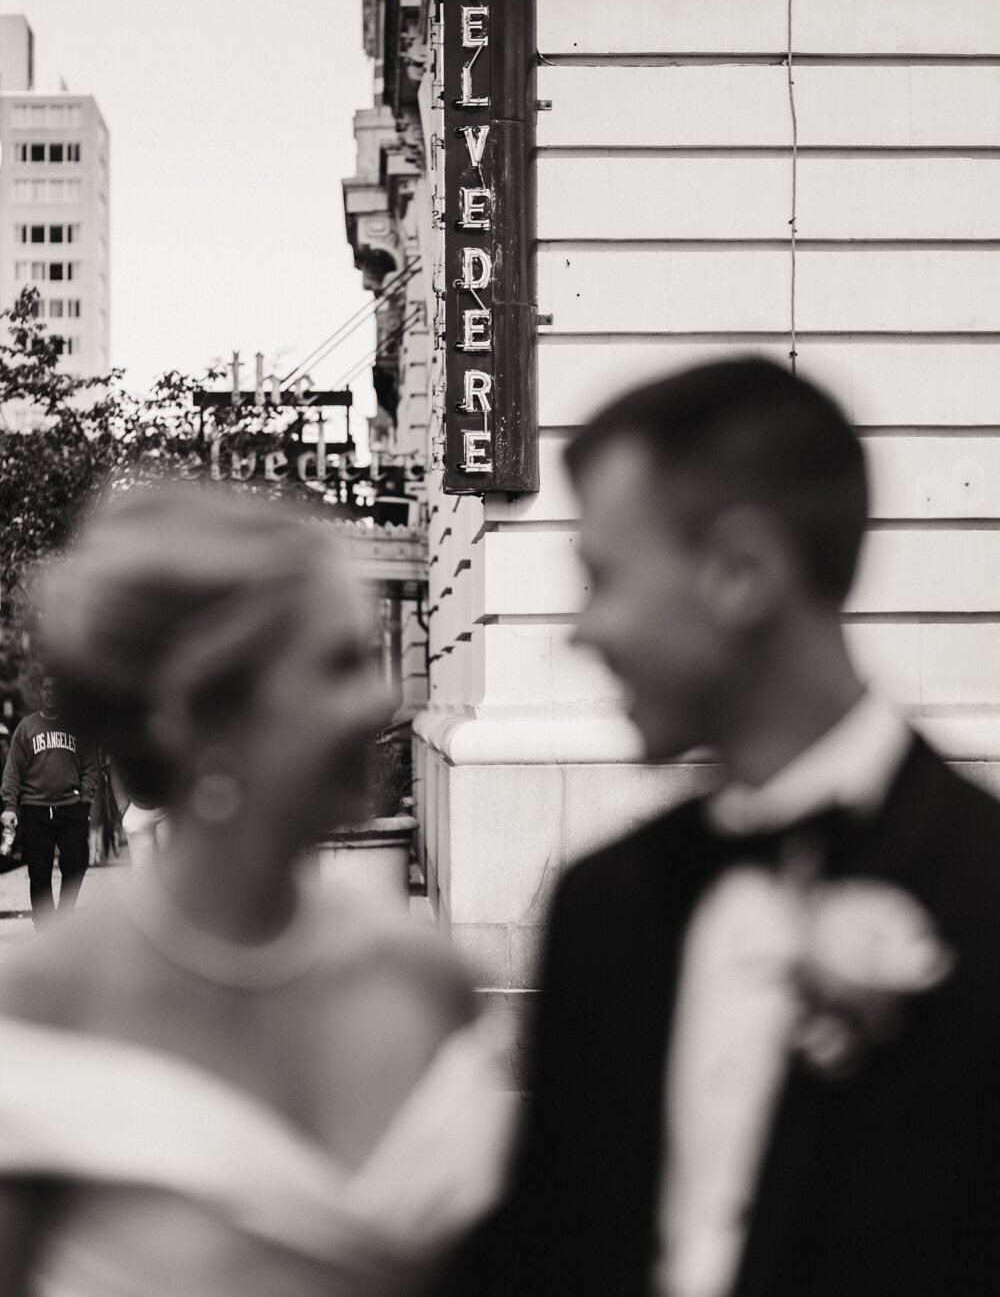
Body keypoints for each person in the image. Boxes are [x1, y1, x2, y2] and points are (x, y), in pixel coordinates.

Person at [453, 357, 1000, 1297]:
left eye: (604, 577)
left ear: (740, 573)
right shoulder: (602, 903)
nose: (584, 633)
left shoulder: (984, 886)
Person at [0, 484, 513, 1297]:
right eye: (339, 665)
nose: (381, 699)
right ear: (206, 712)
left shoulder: (426, 978)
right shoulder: (39, 1006)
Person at [0, 672, 97, 923]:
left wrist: (85, 799)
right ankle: (45, 926)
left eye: (55, 688)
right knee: (39, 872)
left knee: (77, 863)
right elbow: (12, 770)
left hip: (71, 807)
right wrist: (10, 806)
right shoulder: (26, 727)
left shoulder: (77, 727)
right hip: (35, 809)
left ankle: (64, 914)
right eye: (46, 688)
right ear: (40, 692)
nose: (50, 693)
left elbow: (90, 766)